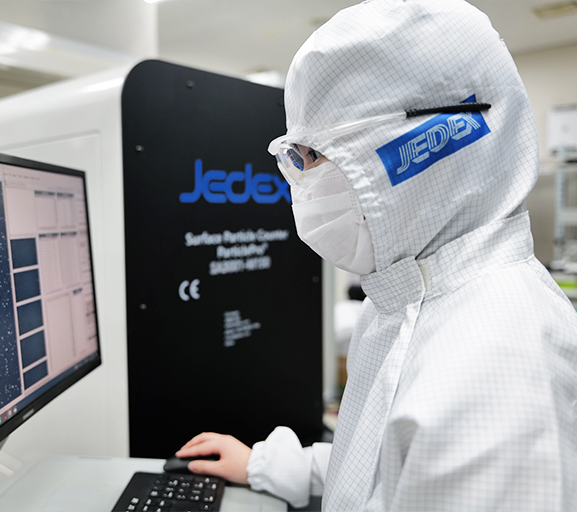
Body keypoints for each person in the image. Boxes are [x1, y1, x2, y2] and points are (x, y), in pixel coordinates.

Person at [176, 0, 577, 510]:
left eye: (316, 155)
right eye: (297, 158)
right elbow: (386, 459)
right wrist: (271, 465)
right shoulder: (413, 294)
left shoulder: (497, 372)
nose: (303, 182)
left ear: (420, 148)